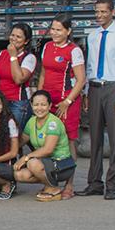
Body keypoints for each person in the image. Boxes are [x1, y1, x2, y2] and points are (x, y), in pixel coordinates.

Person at [80, 0, 115, 200]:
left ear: (112, 12)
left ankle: (112, 185)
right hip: (95, 88)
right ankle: (94, 182)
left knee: (114, 139)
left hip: (114, 88)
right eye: (97, 12)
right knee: (95, 138)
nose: (100, 15)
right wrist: (86, 91)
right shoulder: (93, 36)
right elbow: (90, 66)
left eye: (103, 11)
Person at [37, 14, 86, 158]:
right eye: (52, 29)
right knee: (47, 138)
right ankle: (50, 176)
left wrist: (67, 102)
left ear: (68, 31)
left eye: (59, 30)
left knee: (68, 139)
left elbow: (81, 80)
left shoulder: (74, 50)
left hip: (65, 102)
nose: (54, 33)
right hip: (48, 101)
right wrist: (39, 98)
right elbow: (43, 74)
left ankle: (69, 180)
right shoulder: (47, 46)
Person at [15, 90, 76, 201]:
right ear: (31, 106)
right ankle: (48, 184)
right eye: (36, 105)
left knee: (32, 163)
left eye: (43, 105)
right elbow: (21, 141)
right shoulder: (32, 121)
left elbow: (48, 149)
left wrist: (26, 157)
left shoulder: (53, 123)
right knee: (19, 175)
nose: (39, 108)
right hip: (46, 163)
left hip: (62, 165)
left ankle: (53, 188)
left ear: (49, 106)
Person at [0, 22, 37, 131]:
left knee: (15, 136)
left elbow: (18, 79)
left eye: (18, 37)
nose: (14, 39)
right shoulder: (2, 54)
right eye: (12, 35)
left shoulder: (29, 57)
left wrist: (13, 56)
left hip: (17, 103)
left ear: (26, 41)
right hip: (1, 101)